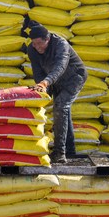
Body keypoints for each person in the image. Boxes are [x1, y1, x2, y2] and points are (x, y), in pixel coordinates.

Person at [26, 22, 87, 164]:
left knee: (60, 106)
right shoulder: (32, 50)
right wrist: (42, 88)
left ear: (47, 39)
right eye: (34, 44)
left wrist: (46, 82)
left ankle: (59, 153)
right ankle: (70, 151)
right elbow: (38, 72)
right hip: (54, 81)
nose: (37, 47)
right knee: (63, 111)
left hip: (74, 77)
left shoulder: (61, 45)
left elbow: (60, 66)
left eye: (39, 43)